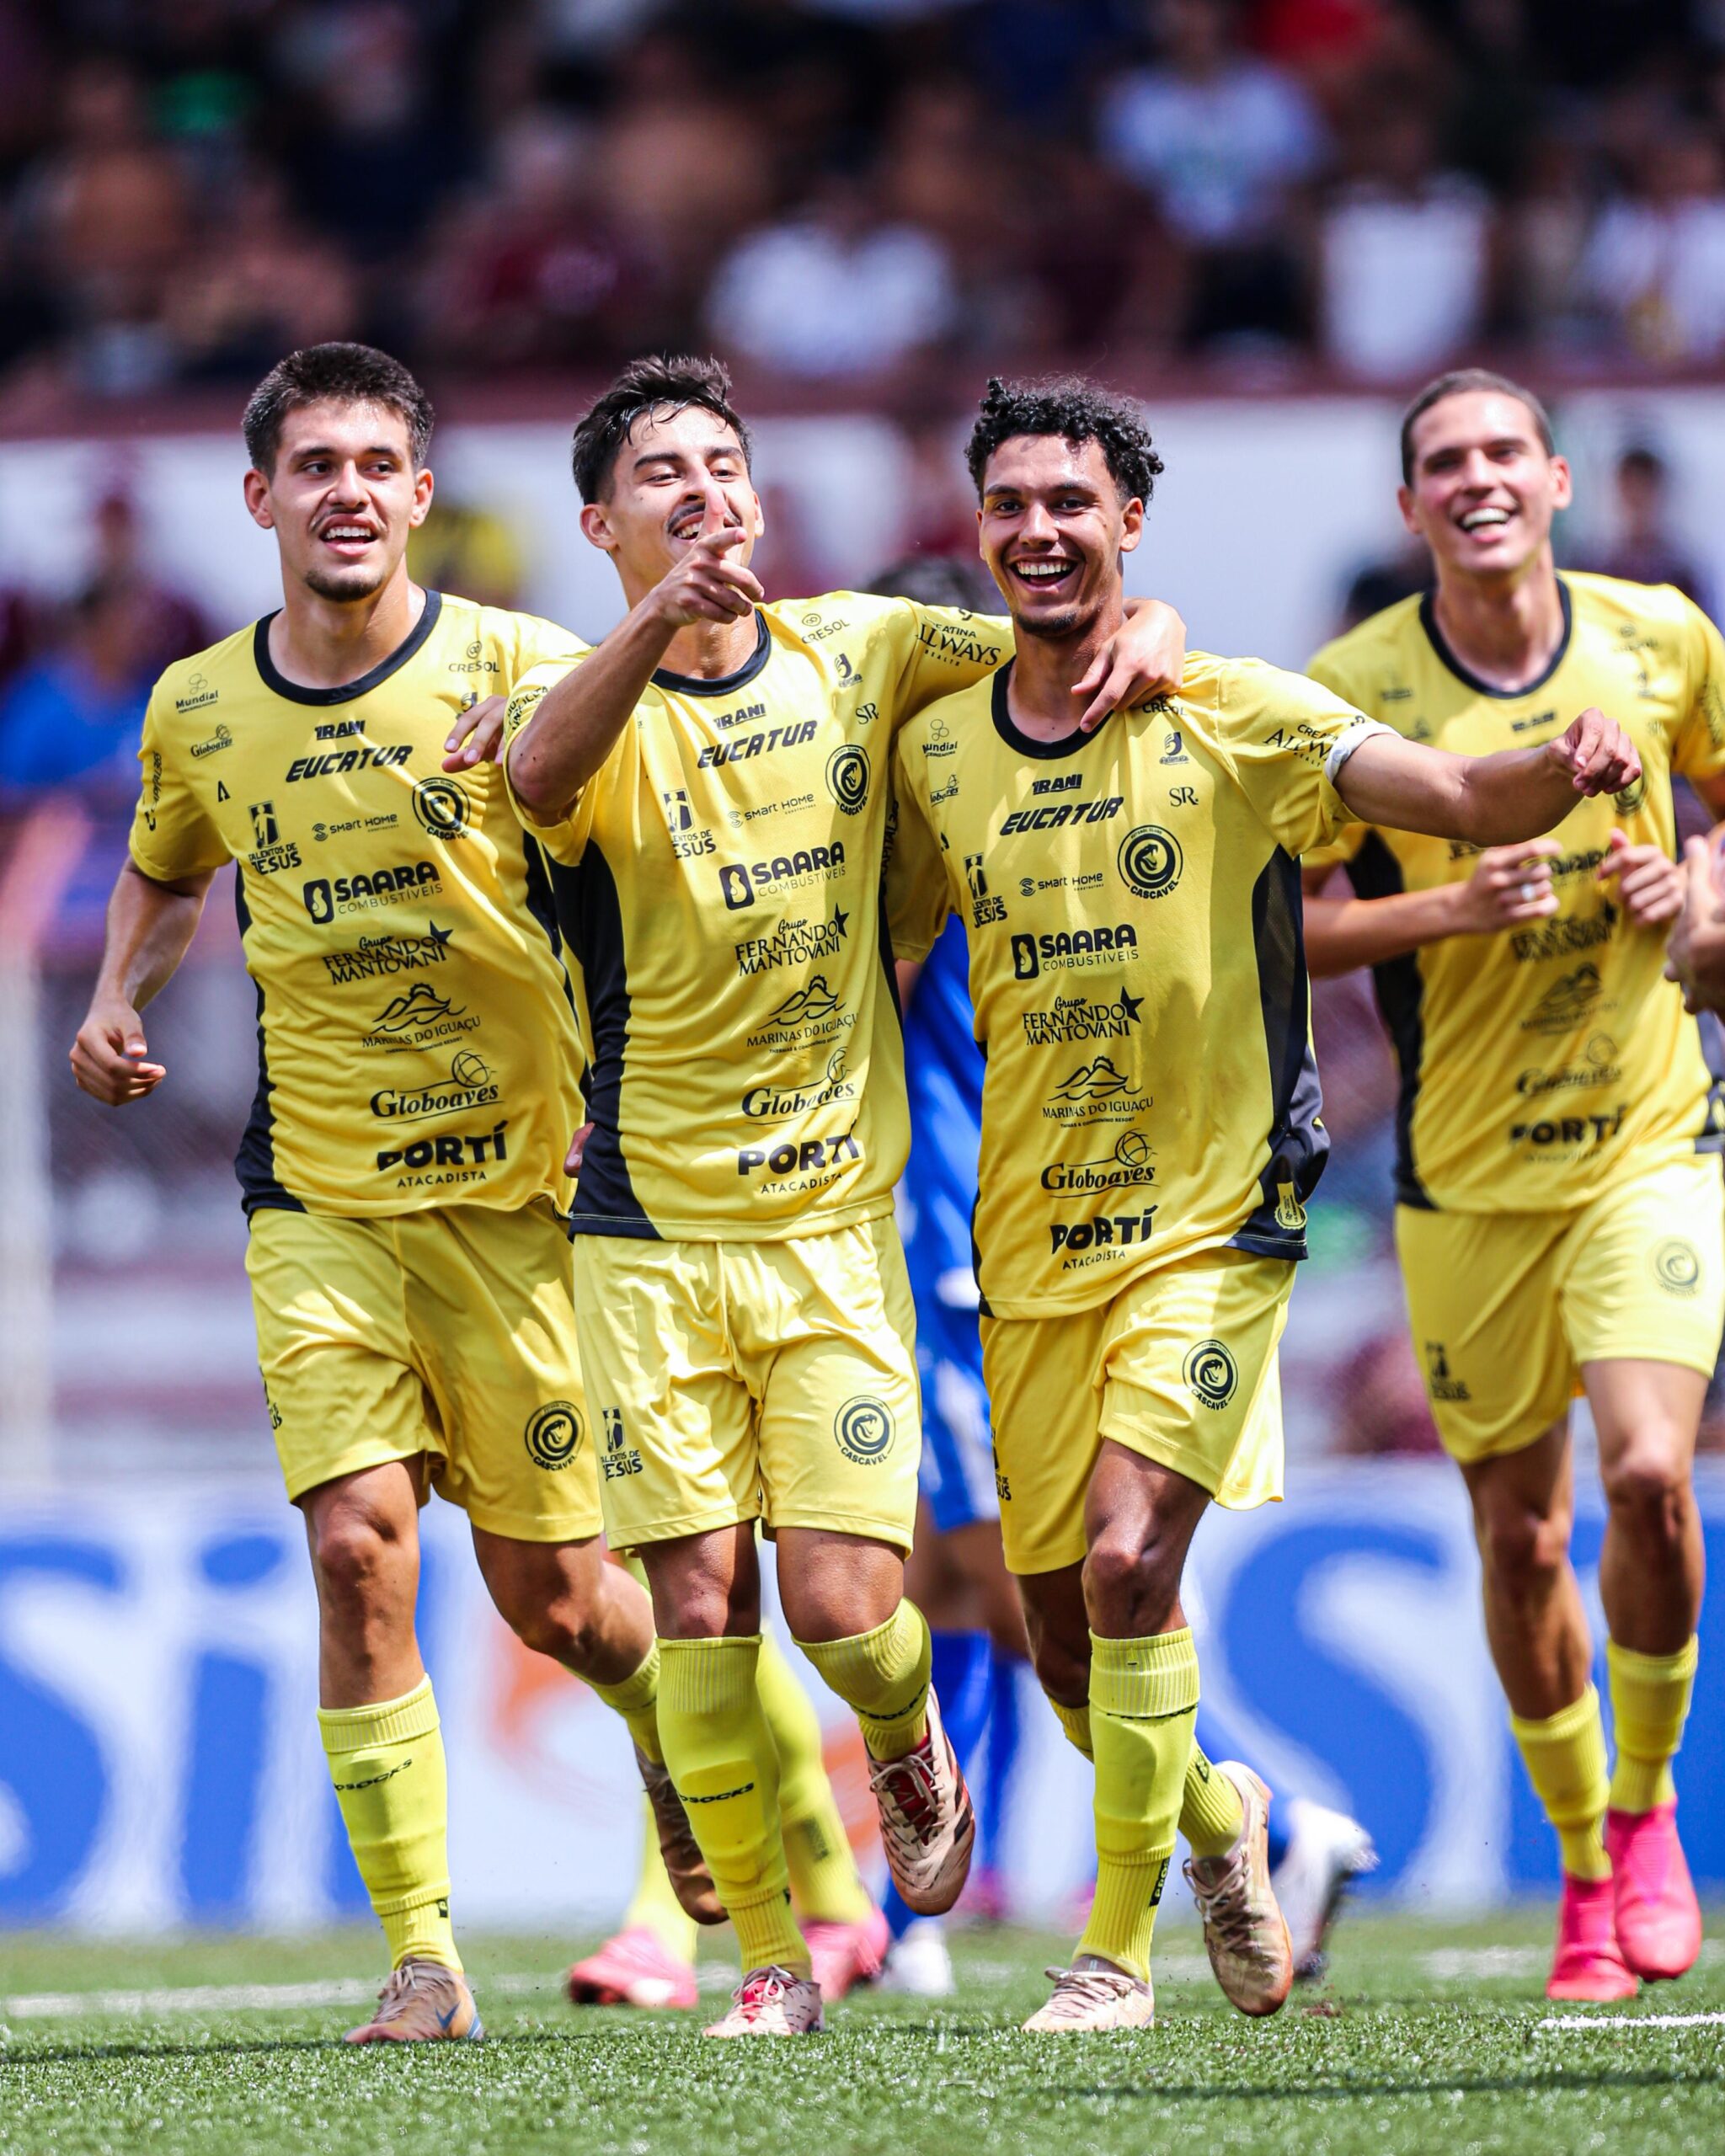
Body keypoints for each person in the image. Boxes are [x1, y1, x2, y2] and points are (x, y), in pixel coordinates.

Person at [65, 340, 861, 2045]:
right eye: (316, 463)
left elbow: (646, 874)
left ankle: (678, 1737)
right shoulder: (197, 701)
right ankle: (426, 1957)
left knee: (565, 1600)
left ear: (422, 495)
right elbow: (164, 859)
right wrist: (120, 989)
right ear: (262, 495)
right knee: (358, 1546)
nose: (347, 489)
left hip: (522, 1199)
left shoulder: (534, 667)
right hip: (320, 1195)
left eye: (378, 462)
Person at [886, 371, 1639, 2034]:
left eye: (1071, 502)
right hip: (1021, 1244)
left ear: (1129, 520)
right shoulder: (934, 745)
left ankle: (1109, 1951)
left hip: (1214, 1224)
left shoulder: (1238, 710)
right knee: (1069, 1645)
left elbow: (1441, 797)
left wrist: (1559, 765)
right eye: (1008, 504)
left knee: (1128, 1556)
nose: (1038, 530)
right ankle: (1228, 1821)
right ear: (976, 526)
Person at [501, 352, 1186, 2039]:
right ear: (605, 522)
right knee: (691, 1600)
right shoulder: (578, 698)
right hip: (645, 1228)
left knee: (845, 1609)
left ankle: (901, 1731)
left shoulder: (864, 646)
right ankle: (768, 1965)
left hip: (830, 1230)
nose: (702, 491)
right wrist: (652, 624)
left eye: (722, 462)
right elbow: (529, 783)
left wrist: (1155, 628)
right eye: (662, 472)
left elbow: (1059, 633)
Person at [874, 552, 1376, 1993]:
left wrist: (1163, 630)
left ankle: (952, 1916)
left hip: (995, 1237)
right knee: (1006, 1600)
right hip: (949, 1238)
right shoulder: (916, 792)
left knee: (991, 1583)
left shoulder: (1007, 792)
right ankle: (1235, 1826)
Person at [1300, 367, 1725, 2002]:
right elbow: (1294, 924)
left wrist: (1686, 887)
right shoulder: (1351, 687)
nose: (1474, 479)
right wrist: (1448, 911)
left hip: (1641, 1141)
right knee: (1519, 1531)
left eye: (1500, 452)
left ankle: (1644, 1811)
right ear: (1410, 510)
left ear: (1552, 479)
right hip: (1462, 1178)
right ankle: (1574, 1865)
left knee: (1651, 1475)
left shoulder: (1663, 636)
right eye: (1439, 463)